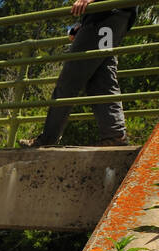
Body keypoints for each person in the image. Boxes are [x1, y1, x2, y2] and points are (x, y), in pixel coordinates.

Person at [22, 1, 139, 147]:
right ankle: (114, 135)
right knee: (101, 79)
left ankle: (48, 139)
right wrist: (83, 23)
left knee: (69, 81)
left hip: (105, 15)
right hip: (113, 18)